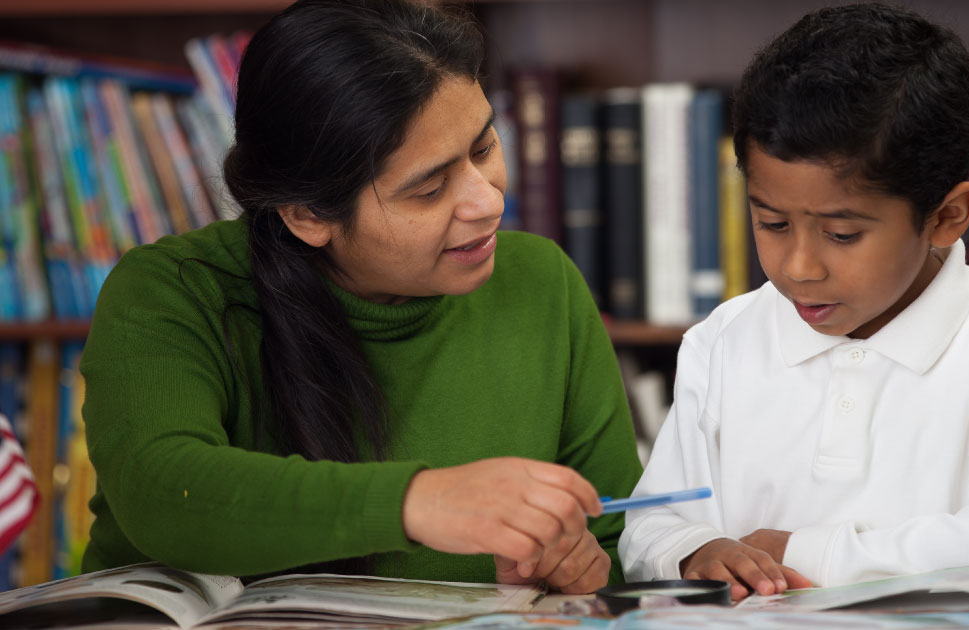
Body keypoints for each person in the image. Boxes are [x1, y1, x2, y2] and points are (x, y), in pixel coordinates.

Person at [79, 0, 641, 594]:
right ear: (307, 215)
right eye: (428, 189)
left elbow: (613, 540)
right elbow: (163, 491)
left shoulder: (542, 282)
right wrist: (423, 502)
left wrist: (579, 572)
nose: (488, 202)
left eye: (482, 149)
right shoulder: (174, 290)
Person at [618, 3, 969, 600]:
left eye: (841, 234)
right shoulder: (724, 341)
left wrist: (811, 554)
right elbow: (650, 524)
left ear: (947, 216)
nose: (799, 267)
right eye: (772, 223)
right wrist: (693, 552)